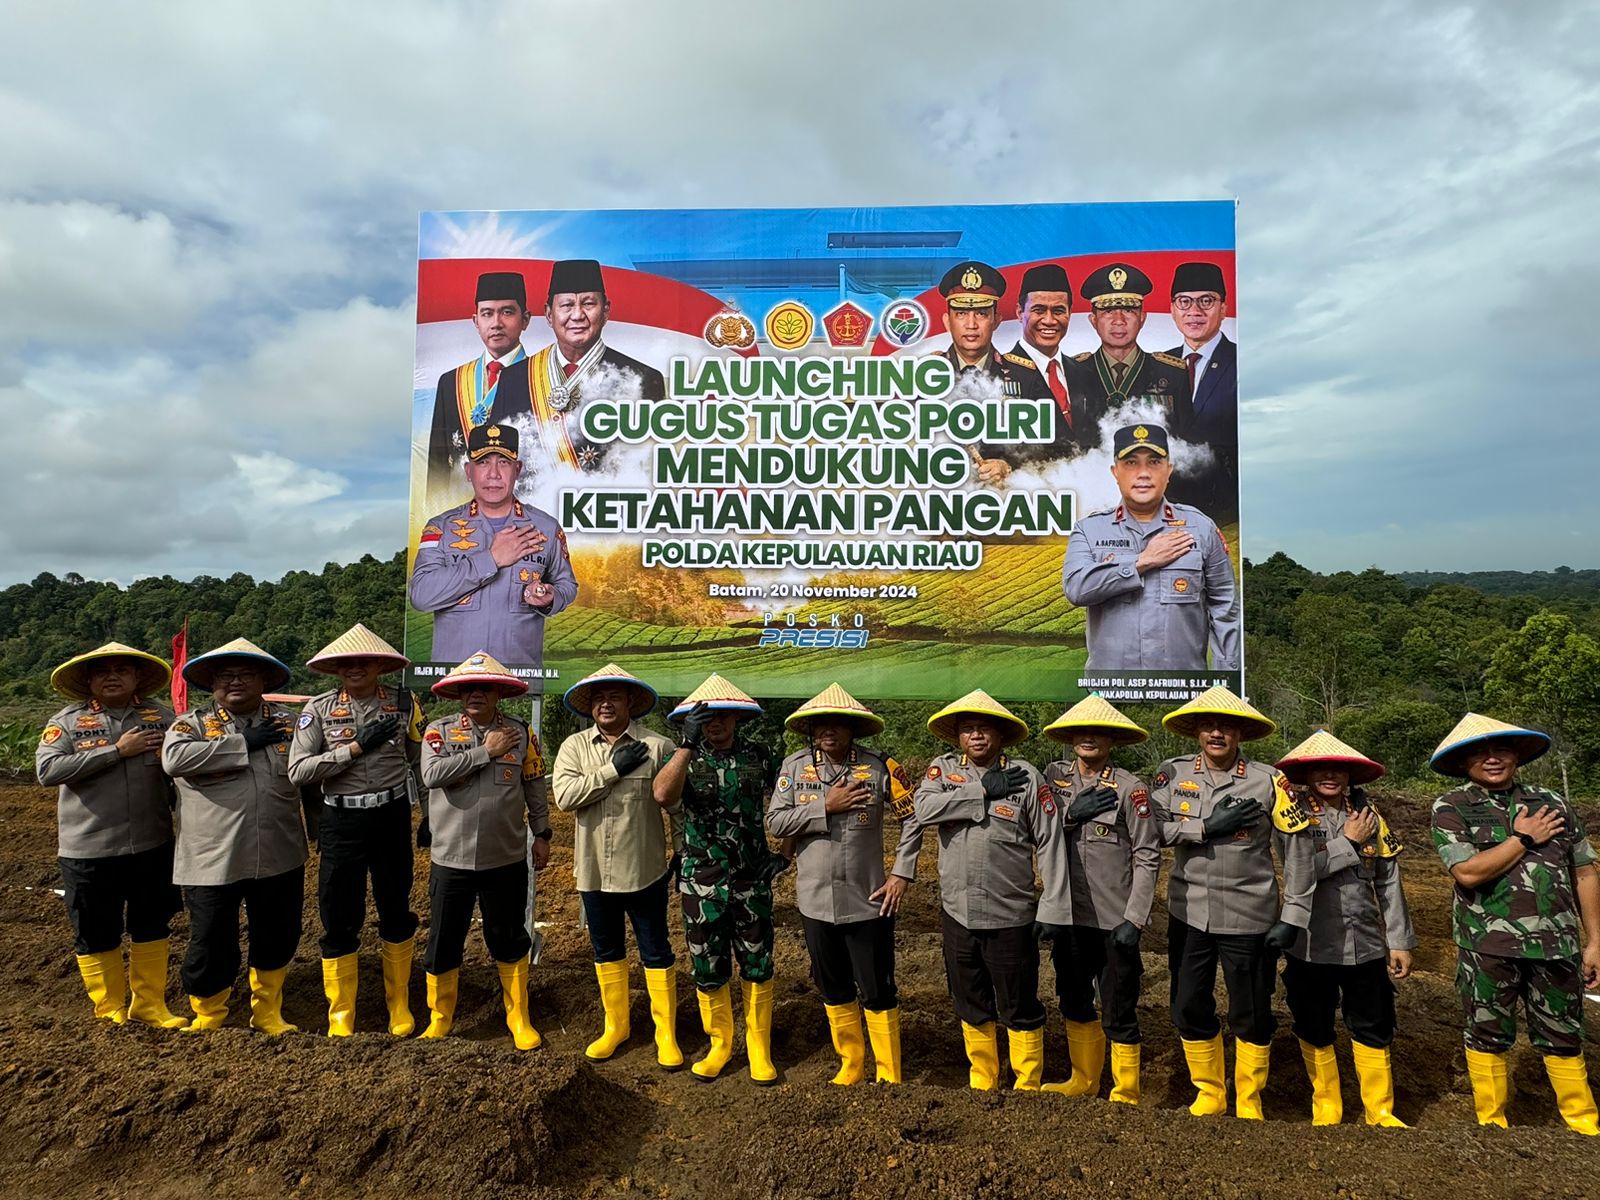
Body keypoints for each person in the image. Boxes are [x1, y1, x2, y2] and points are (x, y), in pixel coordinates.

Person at [1429, 713, 1600, 1135]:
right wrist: (1522, 838)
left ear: (1517, 755)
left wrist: (1595, 940)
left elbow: (1585, 871)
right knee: (1487, 1034)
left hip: (1557, 945)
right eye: (1480, 752)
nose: (1492, 758)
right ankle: (1492, 1124)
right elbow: (1467, 872)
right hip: (1488, 947)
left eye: (1501, 748)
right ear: (1463, 761)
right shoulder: (1453, 807)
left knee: (1564, 1034)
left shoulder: (1553, 803)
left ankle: (1581, 1123)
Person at [1152, 685, 1313, 1119]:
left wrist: (1294, 914)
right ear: (1196, 732)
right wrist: (1204, 826)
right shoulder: (1172, 773)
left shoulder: (1268, 781)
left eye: (1226, 726)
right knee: (1187, 1002)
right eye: (1208, 725)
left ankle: (1248, 1100)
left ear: (1240, 733)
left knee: (1252, 1009)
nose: (1216, 733)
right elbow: (1152, 830)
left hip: (1249, 914)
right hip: (1189, 911)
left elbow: (1295, 850)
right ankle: (1209, 1093)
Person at [765, 683, 921, 1086]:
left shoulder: (881, 767)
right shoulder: (795, 767)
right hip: (815, 901)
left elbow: (914, 818)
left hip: (869, 900)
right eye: (820, 724)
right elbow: (776, 822)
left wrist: (901, 872)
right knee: (831, 984)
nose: (828, 730)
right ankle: (851, 1062)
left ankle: (889, 1073)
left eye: (837, 723)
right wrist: (824, 807)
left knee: (877, 988)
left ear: (853, 727)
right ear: (811, 729)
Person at [161, 638, 309, 1034]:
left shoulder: (290, 725)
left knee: (278, 933)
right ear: (211, 685)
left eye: (246, 674)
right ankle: (209, 1014)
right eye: (225, 676)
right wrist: (242, 742)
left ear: (263, 680)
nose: (236, 682)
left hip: (278, 850)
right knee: (211, 938)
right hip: (212, 857)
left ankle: (268, 1012)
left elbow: (310, 777)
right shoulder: (190, 724)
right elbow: (174, 760)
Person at [37, 642, 187, 1028]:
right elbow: (48, 771)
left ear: (136, 677)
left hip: (152, 843)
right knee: (95, 929)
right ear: (89, 681)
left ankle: (149, 1005)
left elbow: (180, 772)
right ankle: (110, 1010)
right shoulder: (67, 722)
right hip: (89, 848)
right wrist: (116, 750)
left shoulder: (162, 717)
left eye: (122, 670)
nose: (112, 676)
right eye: (103, 671)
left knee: (151, 923)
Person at [287, 624, 423, 1038]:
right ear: (335, 669)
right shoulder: (320, 709)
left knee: (396, 906)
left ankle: (398, 1004)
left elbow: (422, 764)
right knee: (339, 912)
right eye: (346, 662)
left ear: (380, 664)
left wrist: (432, 816)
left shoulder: (404, 704)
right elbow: (298, 770)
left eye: (364, 661)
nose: (355, 668)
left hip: (391, 815)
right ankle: (341, 1014)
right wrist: (354, 747)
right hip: (341, 820)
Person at [1273, 731, 1415, 1127]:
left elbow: (1389, 880)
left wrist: (1399, 940)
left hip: (1366, 943)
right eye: (1322, 769)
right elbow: (1301, 872)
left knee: (1374, 1022)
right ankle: (1327, 1107)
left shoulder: (1371, 817)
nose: (1331, 775)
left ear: (1351, 776)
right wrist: (1348, 844)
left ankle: (1380, 1111)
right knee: (1313, 1021)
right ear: (1308, 774)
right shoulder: (1292, 815)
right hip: (1310, 941)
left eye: (1340, 769)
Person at [912, 689, 1051, 1091]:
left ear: (1001, 735)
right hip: (958, 912)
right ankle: (983, 1080)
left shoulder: (1025, 776)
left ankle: (1027, 1083)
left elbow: (1049, 843)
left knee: (1019, 1003)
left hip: (1011, 913)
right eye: (968, 729)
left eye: (984, 729)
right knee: (969, 998)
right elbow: (922, 811)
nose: (976, 736)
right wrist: (982, 791)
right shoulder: (942, 771)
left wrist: (1054, 906)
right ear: (957, 737)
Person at [553, 663, 683, 1070]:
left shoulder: (658, 746)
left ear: (631, 702)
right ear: (589, 707)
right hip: (592, 870)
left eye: (614, 696)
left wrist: (682, 852)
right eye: (597, 698)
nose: (605, 704)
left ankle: (666, 1033)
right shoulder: (575, 747)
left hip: (644, 868)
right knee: (606, 949)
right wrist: (612, 769)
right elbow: (565, 797)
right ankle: (616, 1026)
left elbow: (676, 807)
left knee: (656, 949)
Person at [415, 652, 549, 1050]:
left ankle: (518, 1017)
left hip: (504, 856)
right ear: (459, 694)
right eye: (469, 688)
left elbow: (534, 785)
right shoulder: (438, 731)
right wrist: (484, 752)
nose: (476, 694)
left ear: (498, 693)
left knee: (508, 936)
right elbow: (432, 774)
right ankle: (441, 1018)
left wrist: (542, 833)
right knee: (444, 938)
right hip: (451, 857)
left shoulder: (522, 733)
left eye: (484, 688)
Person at [655, 674, 784, 1083]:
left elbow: (795, 798)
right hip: (702, 880)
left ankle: (759, 1049)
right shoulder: (684, 757)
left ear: (737, 717)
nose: (715, 723)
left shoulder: (760, 756)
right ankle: (720, 1045)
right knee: (707, 963)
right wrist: (686, 745)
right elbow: (662, 795)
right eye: (705, 717)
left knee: (757, 961)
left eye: (723, 715)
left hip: (751, 878)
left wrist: (786, 853)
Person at [1035, 695, 1160, 1103]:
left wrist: (1135, 918)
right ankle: (1083, 1080)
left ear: (1112, 740)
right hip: (1068, 914)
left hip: (1113, 919)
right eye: (1081, 731)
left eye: (1098, 732)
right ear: (1070, 738)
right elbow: (1040, 832)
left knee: (1119, 1005)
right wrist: (1070, 814)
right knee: (1072, 996)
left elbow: (1147, 855)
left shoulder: (1130, 788)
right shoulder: (1052, 779)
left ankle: (1126, 1090)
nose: (1089, 738)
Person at [1061, 423, 1240, 672]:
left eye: (1154, 462)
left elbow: (1225, 606)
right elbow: (1076, 589)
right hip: (1111, 697)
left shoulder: (1201, 527)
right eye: (1131, 463)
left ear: (1169, 471)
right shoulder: (1088, 530)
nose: (1143, 473)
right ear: (1115, 472)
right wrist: (1141, 561)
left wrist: (1227, 681)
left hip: (1184, 694)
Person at [409, 422, 579, 669]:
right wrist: (491, 559)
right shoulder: (440, 528)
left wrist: (551, 598)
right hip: (455, 683)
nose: (493, 474)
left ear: (517, 469)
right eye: (483, 462)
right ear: (468, 471)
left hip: (521, 681)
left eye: (504, 462)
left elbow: (567, 585)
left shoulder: (546, 528)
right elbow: (422, 595)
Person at [490, 258, 665, 474]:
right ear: (548, 314)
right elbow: (495, 461)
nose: (577, 315)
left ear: (606, 311)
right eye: (567, 305)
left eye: (588, 304)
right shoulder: (513, 378)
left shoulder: (644, 378)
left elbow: (651, 467)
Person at [426, 271, 534, 491]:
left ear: (525, 319)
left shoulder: (541, 380)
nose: (496, 323)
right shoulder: (451, 383)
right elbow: (437, 467)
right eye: (487, 313)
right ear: (475, 321)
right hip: (463, 516)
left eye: (507, 312)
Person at [1066, 261, 1191, 436]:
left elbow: (1187, 442)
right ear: (1093, 320)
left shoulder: (1173, 373)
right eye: (1108, 311)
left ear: (1142, 318)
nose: (1119, 320)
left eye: (1128, 310)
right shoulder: (1071, 373)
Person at [933, 259, 1028, 487]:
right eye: (961, 314)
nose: (971, 324)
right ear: (947, 321)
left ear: (996, 320)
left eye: (982, 314)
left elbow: (1055, 446)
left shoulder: (1025, 375)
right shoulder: (922, 377)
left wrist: (1008, 466)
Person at [1163, 260, 1237, 519]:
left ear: (1224, 308)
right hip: (1163, 508)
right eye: (1184, 301)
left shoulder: (1241, 362)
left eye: (1206, 301)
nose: (1194, 311)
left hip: (1227, 509)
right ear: (1172, 309)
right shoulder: (1156, 365)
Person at [1003, 263, 1092, 457]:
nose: (1049, 320)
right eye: (1039, 310)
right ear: (1020, 313)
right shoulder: (998, 373)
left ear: (1070, 313)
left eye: (1058, 311)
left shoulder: (1085, 373)